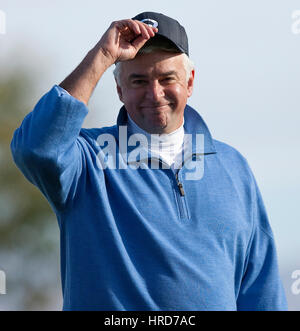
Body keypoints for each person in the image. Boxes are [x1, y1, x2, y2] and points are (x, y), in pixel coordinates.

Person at [11, 11, 287, 311]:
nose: (154, 94)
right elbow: (35, 148)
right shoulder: (87, 161)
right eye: (139, 80)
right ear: (119, 89)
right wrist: (102, 56)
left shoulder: (234, 167)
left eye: (167, 78)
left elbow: (261, 286)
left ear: (190, 82)